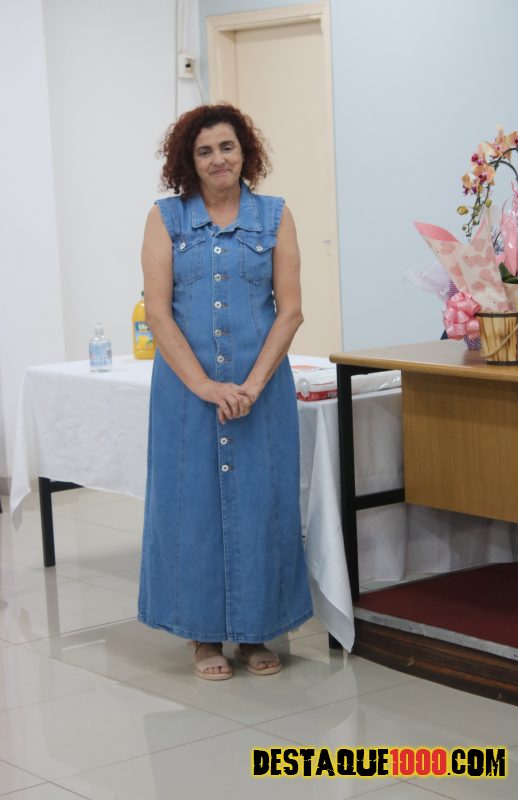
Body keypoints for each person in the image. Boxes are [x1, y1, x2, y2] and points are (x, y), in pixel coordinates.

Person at [137, 104, 313, 680]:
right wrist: (207, 386)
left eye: (228, 147)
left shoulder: (276, 216)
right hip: (187, 395)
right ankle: (203, 637)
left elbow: (290, 310)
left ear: (245, 152)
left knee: (263, 505)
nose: (218, 159)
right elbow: (158, 313)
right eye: (205, 150)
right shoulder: (166, 219)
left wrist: (253, 385)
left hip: (261, 392)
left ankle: (257, 631)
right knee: (191, 508)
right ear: (189, 161)